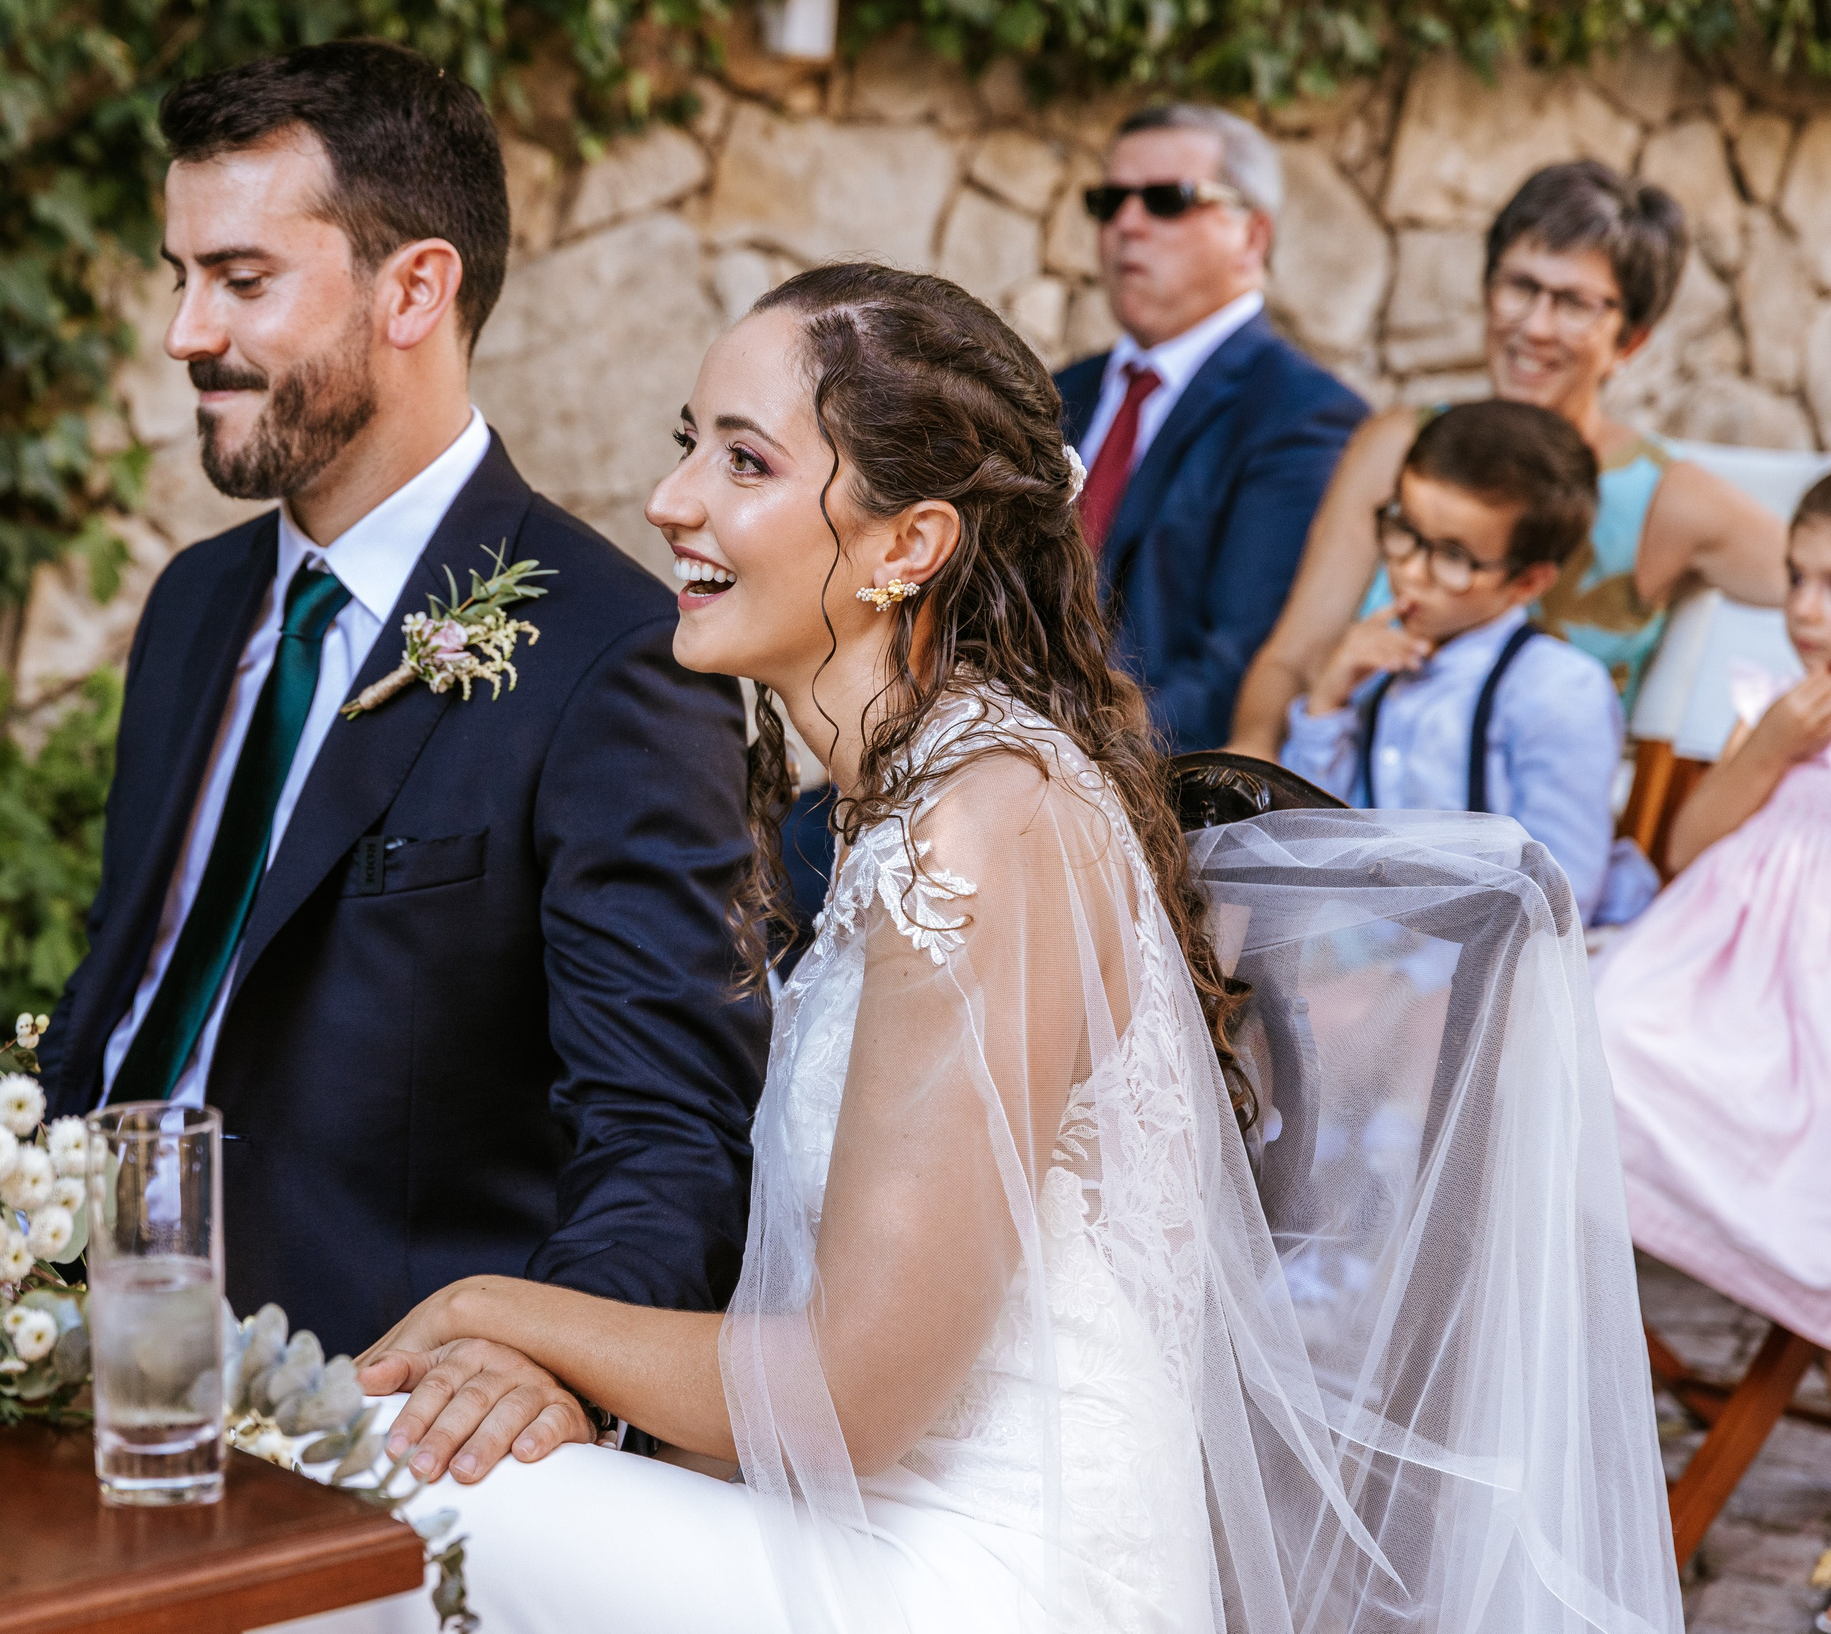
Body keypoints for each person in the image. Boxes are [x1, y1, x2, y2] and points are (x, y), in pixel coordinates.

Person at [300, 264, 1679, 1634]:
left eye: (745, 461)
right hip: (854, 1532)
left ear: (910, 546)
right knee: (385, 1477)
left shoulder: (983, 821)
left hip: (977, 1582)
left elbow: (857, 1393)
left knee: (360, 1497)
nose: (672, 502)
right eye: (687, 448)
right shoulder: (913, 800)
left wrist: (503, 1311)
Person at [35, 41, 767, 1382]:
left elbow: (667, 1135)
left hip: (371, 1409)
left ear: (416, 288)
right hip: (78, 1354)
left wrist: (533, 1371)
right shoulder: (193, 608)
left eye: (242, 280)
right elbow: (131, 988)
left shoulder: (616, 662)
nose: (187, 334)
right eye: (182, 278)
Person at [1229, 161, 1788, 758]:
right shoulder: (1396, 445)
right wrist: (1251, 770)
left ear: (1631, 340)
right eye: (1520, 286)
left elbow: (1814, 580)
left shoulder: (1665, 500)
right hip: (1346, 804)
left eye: (1574, 303)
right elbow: (1292, 656)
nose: (1535, 326)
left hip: (1531, 834)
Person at [1054, 104, 1368, 753]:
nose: (1127, 224)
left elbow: (1235, 675)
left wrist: (1060, 757)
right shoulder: (1057, 393)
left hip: (1141, 791)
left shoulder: (1304, 416)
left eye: (1168, 200)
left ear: (1252, 236)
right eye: (1109, 201)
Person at [1598, 478, 1831, 1345]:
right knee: (1607, 1035)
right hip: (1717, 984)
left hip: (1812, 1002)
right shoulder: (1769, 706)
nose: (1805, 610)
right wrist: (1770, 747)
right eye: (1796, 577)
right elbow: (1689, 847)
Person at [1279, 400, 1655, 924]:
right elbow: (1300, 842)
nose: (1409, 572)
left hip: (1495, 972)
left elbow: (1558, 899)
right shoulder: (1375, 662)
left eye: (1453, 557)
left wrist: (1407, 990)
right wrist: (1328, 702)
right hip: (1364, 943)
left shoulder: (1558, 692)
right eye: (1403, 530)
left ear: (1529, 582)